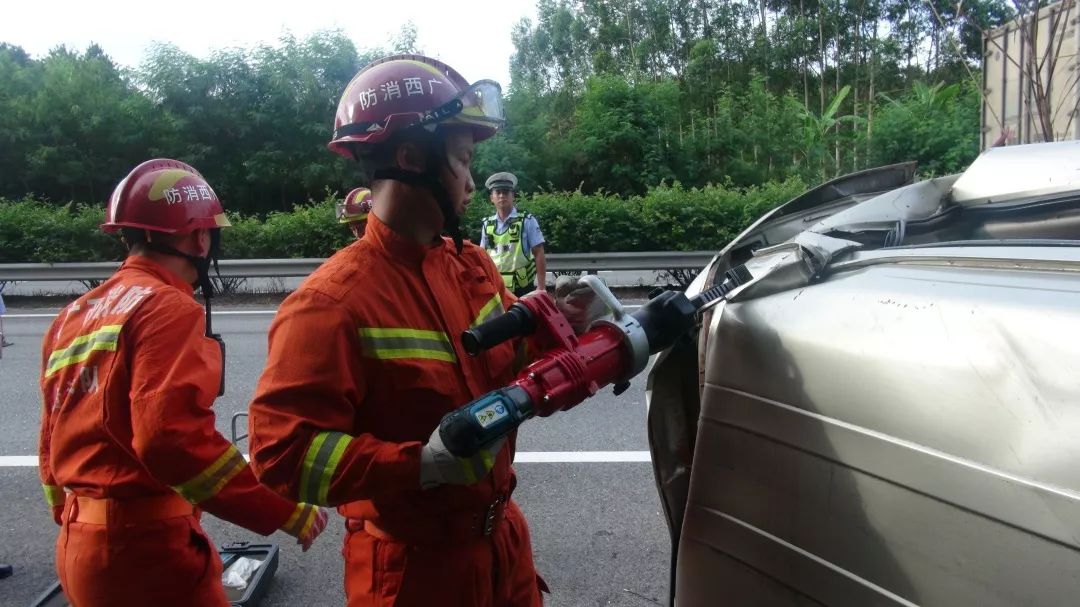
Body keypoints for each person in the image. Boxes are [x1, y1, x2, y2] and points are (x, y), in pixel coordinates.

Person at [246, 54, 551, 607]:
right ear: (411, 158)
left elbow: (516, 357)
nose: (474, 180)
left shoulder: (471, 267)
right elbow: (281, 455)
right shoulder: (330, 305)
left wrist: (565, 325)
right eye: (462, 159)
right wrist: (420, 465)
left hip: (503, 547)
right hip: (414, 575)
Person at [37, 159, 328, 607]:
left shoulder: (73, 315)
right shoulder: (166, 306)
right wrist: (281, 510)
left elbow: (50, 434)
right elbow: (170, 439)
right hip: (144, 554)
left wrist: (72, 514)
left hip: (82, 544)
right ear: (200, 236)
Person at [480, 172, 547, 297]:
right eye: (497, 192)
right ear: (491, 198)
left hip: (522, 289)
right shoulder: (487, 225)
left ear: (513, 196)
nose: (501, 196)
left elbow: (539, 252)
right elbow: (482, 256)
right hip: (495, 287)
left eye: (505, 192)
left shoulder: (527, 221)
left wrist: (541, 287)